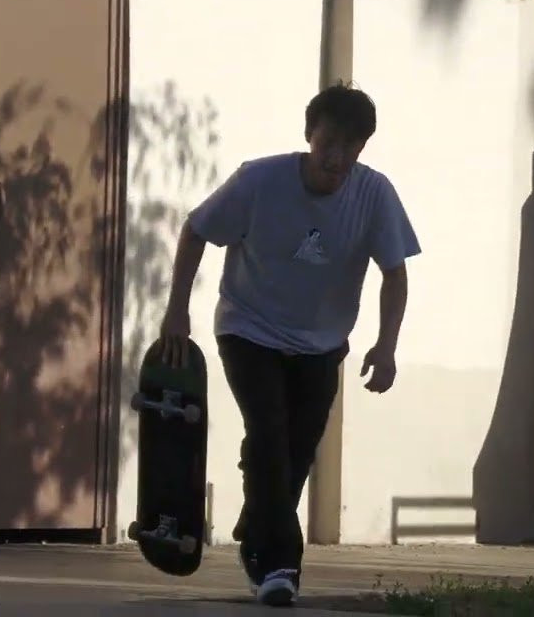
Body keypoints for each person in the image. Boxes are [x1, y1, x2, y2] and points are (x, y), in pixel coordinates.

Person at [157, 82, 420, 607]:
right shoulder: (260, 180)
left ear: (363, 148)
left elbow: (395, 273)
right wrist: (176, 311)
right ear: (309, 136)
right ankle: (279, 565)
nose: (337, 157)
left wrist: (386, 345)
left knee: (295, 451)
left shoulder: (375, 194)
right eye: (328, 143)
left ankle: (256, 521)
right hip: (249, 328)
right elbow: (196, 230)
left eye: (351, 146)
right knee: (271, 433)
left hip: (322, 344)